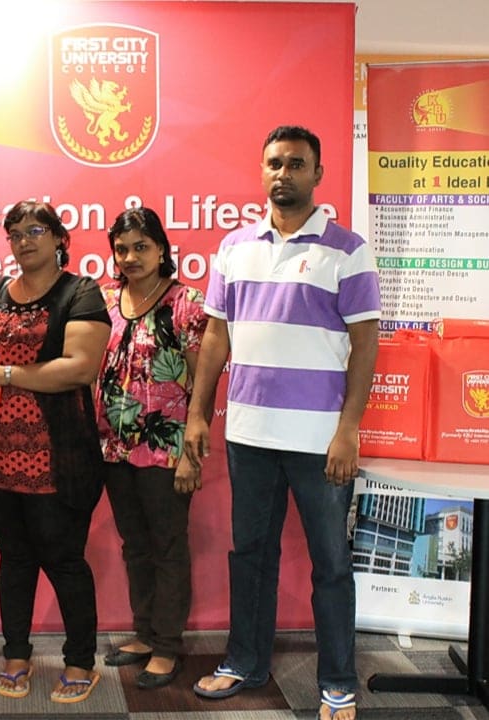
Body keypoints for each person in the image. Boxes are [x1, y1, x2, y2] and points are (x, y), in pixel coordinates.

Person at [185, 126, 380, 720]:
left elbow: (365, 345)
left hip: (320, 440)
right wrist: (198, 414)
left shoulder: (348, 250)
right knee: (250, 554)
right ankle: (245, 661)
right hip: (248, 434)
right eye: (275, 163)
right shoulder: (235, 246)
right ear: (262, 170)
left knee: (331, 564)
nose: (284, 173)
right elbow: (215, 336)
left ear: (317, 174)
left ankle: (337, 681)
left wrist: (348, 430)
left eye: (297, 164)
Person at [0, 200, 111, 704]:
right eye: (15, 234)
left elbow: (79, 368)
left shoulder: (80, 292)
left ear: (59, 238)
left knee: (64, 560)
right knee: (15, 558)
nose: (24, 241)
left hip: (58, 458)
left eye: (35, 231)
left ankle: (80, 660)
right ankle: (16, 654)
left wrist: (5, 374)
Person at [95, 207, 207, 689]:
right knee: (135, 545)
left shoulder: (186, 303)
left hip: (167, 447)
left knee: (167, 545)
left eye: (141, 247)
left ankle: (167, 646)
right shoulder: (104, 299)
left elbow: (203, 378)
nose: (130, 257)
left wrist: (192, 450)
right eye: (121, 249)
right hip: (113, 447)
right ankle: (144, 633)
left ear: (161, 249)